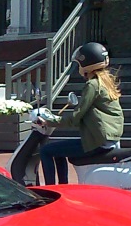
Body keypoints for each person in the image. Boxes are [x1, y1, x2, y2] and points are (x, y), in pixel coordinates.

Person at [35, 41, 124, 185]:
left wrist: (48, 121)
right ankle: (63, 187)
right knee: (58, 151)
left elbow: (75, 118)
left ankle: (51, 189)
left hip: (98, 143)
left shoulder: (93, 85)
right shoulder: (107, 82)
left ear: (86, 64)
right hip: (109, 140)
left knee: (46, 151)